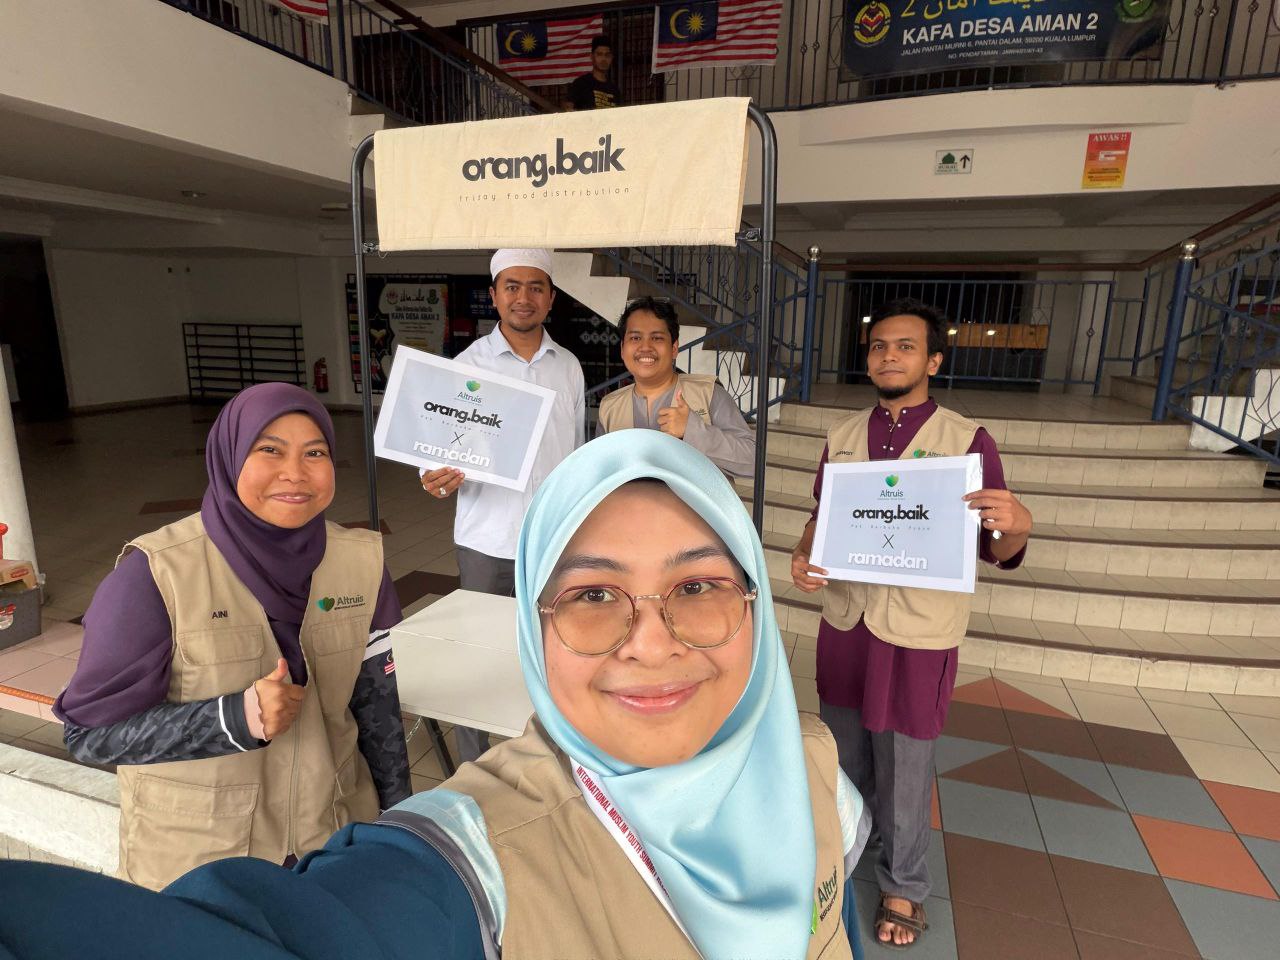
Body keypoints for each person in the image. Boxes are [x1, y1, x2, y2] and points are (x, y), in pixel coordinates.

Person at [0, 432, 870, 960]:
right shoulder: (474, 867)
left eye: (700, 587)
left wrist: (386, 788)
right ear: (534, 628)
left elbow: (376, 698)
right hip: (207, 838)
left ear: (756, 603)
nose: (651, 642)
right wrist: (238, 722)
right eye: (594, 595)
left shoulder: (815, 774)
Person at [53, 383, 411, 891]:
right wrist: (231, 719)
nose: (295, 472)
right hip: (201, 863)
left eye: (315, 453)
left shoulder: (360, 563)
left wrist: (401, 830)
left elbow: (378, 711)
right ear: (228, 457)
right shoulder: (155, 575)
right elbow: (88, 736)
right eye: (270, 450)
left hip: (331, 842)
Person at [790, 298, 1032, 948]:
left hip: (919, 632)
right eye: (878, 346)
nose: (888, 356)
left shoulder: (966, 441)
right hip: (848, 623)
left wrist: (1019, 526)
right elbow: (821, 517)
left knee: (905, 761)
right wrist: (804, 553)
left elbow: (997, 545)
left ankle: (904, 885)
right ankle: (839, 855)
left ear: (933, 361)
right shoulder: (843, 436)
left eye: (904, 347)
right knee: (841, 754)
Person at [420, 248, 585, 762]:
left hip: (551, 542)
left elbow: (575, 452)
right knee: (480, 656)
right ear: (493, 296)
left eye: (536, 287)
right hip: (486, 539)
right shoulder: (467, 367)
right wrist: (435, 478)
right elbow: (435, 450)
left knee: (549, 651)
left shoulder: (568, 368)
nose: (523, 297)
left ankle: (543, 754)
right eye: (512, 286)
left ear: (551, 298)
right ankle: (474, 764)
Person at [596, 296, 756, 477]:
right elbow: (599, 472)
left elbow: (753, 462)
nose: (645, 347)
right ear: (622, 349)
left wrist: (692, 430)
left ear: (674, 348)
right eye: (635, 338)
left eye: (657, 338)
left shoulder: (708, 394)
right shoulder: (610, 408)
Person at [564, 35, 622, 110]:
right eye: (599, 54)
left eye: (607, 55)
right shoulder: (581, 84)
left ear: (611, 58)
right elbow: (568, 108)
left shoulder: (614, 90)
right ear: (591, 56)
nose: (603, 59)